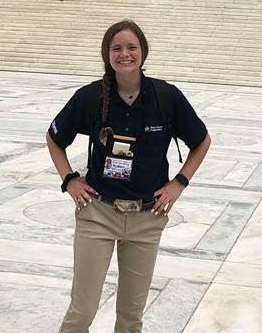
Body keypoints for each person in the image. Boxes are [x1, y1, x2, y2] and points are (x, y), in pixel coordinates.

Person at [47, 19, 211, 333]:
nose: (125, 54)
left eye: (131, 47)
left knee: (131, 317)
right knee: (82, 311)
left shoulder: (165, 96)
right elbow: (54, 138)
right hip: (98, 214)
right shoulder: (91, 96)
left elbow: (201, 141)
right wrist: (70, 179)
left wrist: (180, 182)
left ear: (143, 52)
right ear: (107, 55)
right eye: (117, 48)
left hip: (147, 218)